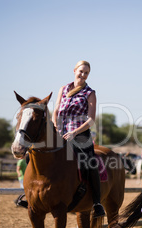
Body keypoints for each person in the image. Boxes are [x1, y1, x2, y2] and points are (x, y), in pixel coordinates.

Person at [52, 60, 105, 218]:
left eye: (86, 73)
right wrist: (56, 127)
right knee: (35, 154)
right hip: (60, 132)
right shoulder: (63, 89)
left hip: (80, 134)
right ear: (74, 70)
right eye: (81, 71)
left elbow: (91, 120)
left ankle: (96, 203)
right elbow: (55, 111)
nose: (83, 74)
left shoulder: (90, 93)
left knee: (89, 164)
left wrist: (74, 132)